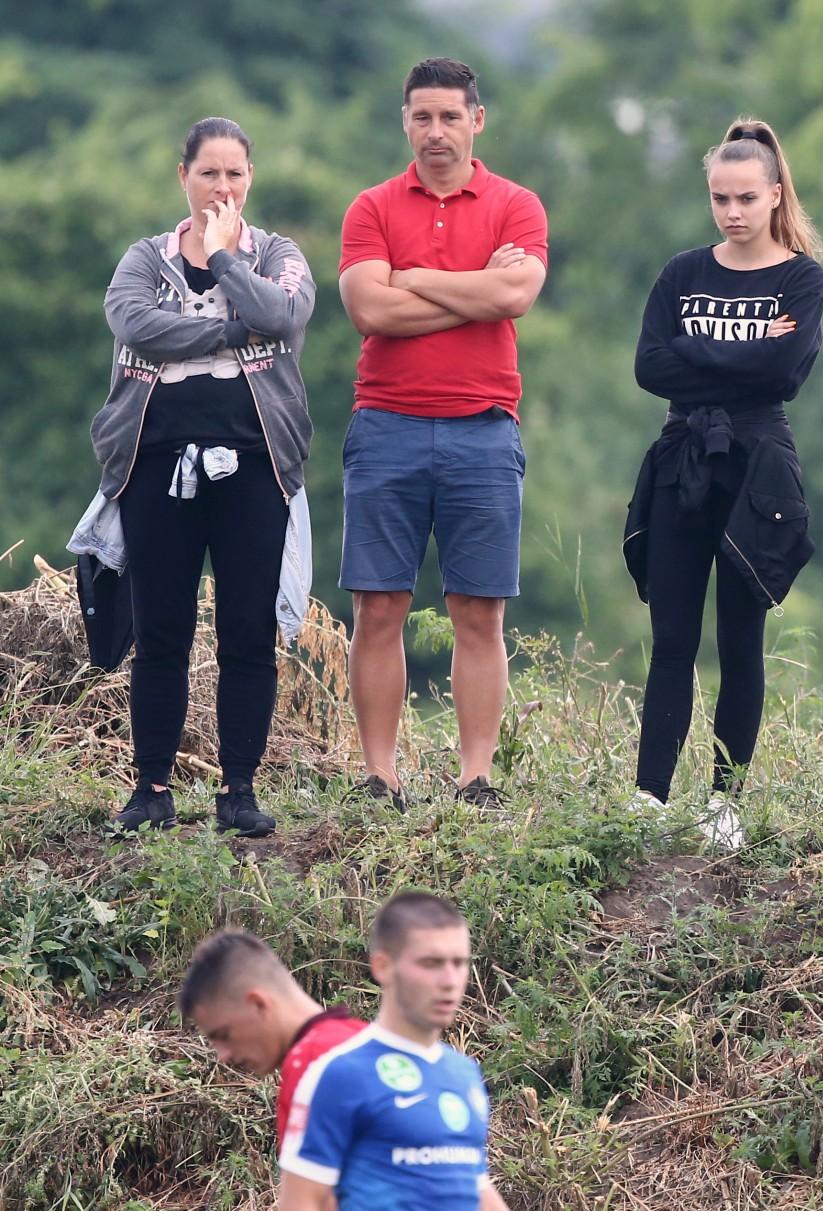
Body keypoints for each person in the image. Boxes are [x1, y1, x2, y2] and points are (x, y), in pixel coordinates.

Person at [89, 116, 315, 838]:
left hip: (255, 465)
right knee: (162, 630)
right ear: (182, 175)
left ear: (251, 179)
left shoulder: (275, 254)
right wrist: (231, 332)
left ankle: (238, 789)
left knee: (247, 630)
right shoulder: (144, 259)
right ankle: (151, 787)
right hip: (156, 465)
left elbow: (283, 313)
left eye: (235, 174)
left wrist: (223, 258)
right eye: (208, 172)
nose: (222, 187)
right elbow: (135, 325)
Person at [337, 57, 548, 811]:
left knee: (479, 611)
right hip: (384, 424)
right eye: (422, 116)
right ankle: (379, 775)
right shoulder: (371, 207)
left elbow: (515, 293)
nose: (436, 131)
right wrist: (473, 290)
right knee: (378, 607)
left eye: (450, 116)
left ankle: (476, 777)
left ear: (476, 121)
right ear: (405, 121)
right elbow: (371, 311)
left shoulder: (516, 205)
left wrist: (414, 277)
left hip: (483, 430)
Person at [625, 119, 823, 846]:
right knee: (672, 638)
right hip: (683, 459)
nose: (732, 212)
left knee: (741, 643)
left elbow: (784, 374)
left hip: (758, 470)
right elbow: (649, 366)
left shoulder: (800, 276)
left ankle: (724, 804)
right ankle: (649, 798)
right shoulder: (683, 272)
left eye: (745, 197)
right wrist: (741, 355)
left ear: (774, 194)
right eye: (720, 198)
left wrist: (694, 349)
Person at [278, 893, 509, 1210]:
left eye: (459, 963)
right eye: (431, 963)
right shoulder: (338, 1074)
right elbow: (303, 1200)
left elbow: (474, 1185)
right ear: (383, 966)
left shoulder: (464, 1072)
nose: (450, 981)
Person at [180, 931, 365, 1153]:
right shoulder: (365, 1039)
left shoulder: (312, 1068)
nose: (223, 1056)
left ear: (258, 1003)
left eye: (224, 1035)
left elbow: (303, 1179)